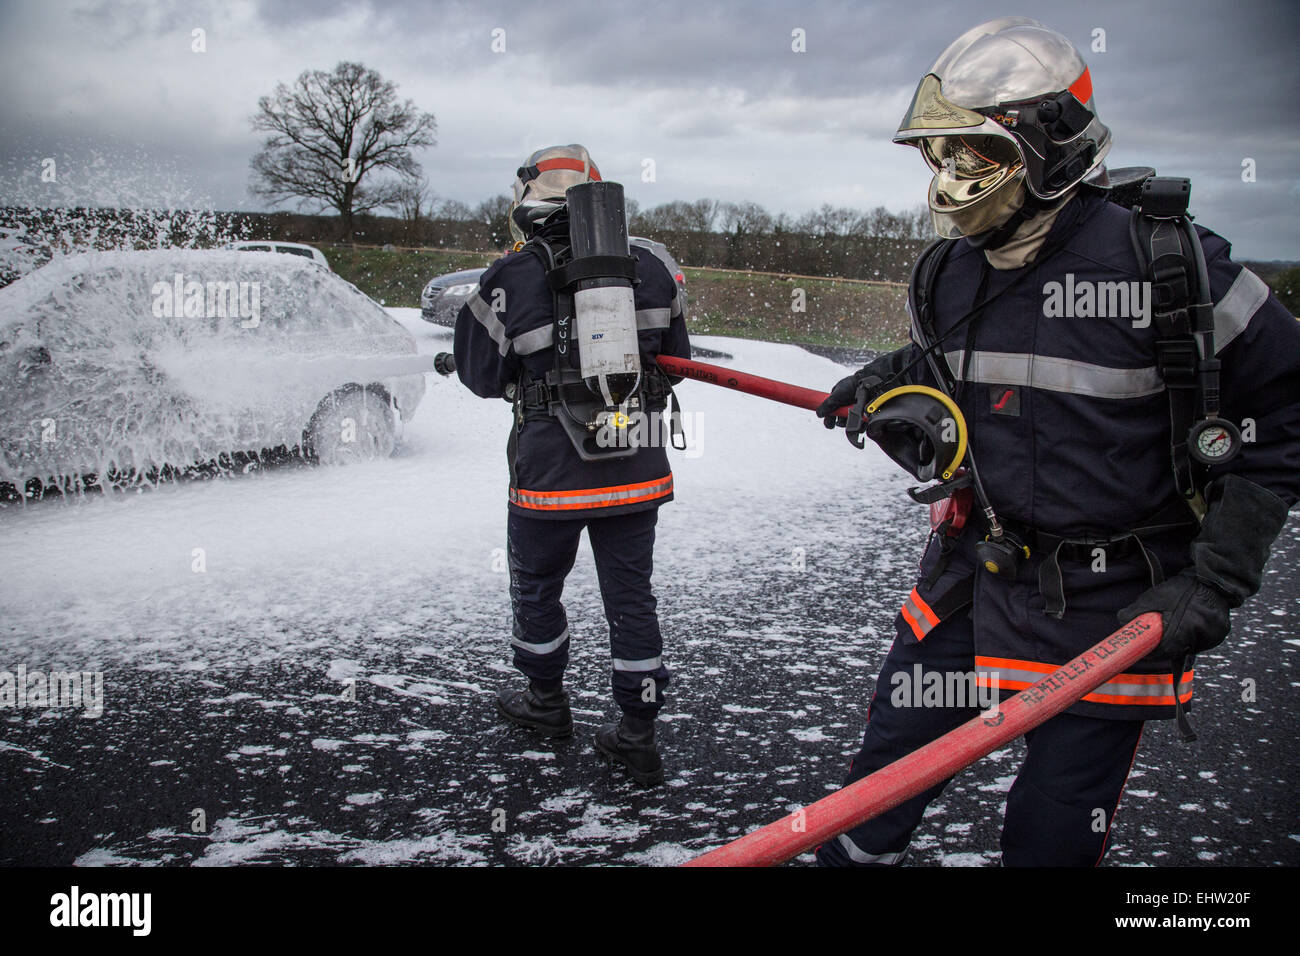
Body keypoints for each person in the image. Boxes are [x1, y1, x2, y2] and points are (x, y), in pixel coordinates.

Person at [814, 17, 1298, 865]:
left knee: (1049, 839)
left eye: (975, 155)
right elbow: (953, 355)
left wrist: (1216, 582)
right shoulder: (948, 271)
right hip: (976, 578)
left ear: (1052, 152)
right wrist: (887, 378)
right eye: (940, 156)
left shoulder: (1171, 270)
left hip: (1116, 609)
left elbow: (1290, 407)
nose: (950, 181)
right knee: (870, 799)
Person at [454, 144, 691, 787]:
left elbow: (480, 376)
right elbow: (676, 356)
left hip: (550, 474)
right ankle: (637, 732)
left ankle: (545, 703)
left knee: (537, 588)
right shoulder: (655, 266)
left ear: (529, 201)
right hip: (635, 463)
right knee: (631, 597)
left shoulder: (509, 276)